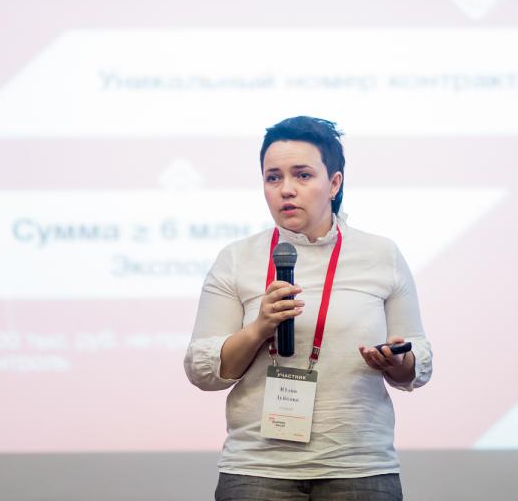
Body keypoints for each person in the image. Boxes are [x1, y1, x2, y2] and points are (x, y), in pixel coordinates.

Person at [185, 116, 432, 500]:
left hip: (359, 466)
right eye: (273, 177)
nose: (286, 189)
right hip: (257, 469)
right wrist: (258, 328)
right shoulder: (236, 259)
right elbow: (203, 371)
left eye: (302, 175)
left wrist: (399, 362)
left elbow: (418, 362)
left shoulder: (381, 254)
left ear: (334, 183)